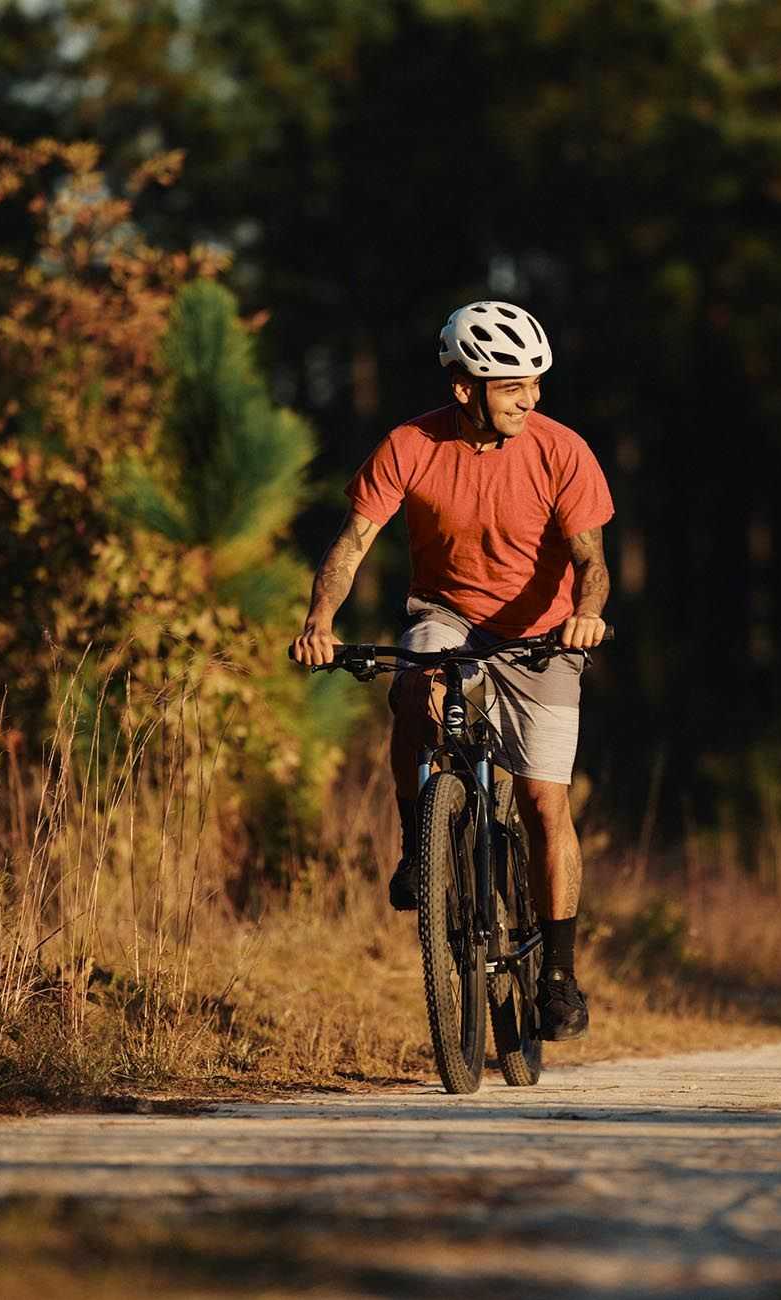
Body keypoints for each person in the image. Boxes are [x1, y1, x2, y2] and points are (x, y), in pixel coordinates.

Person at [290, 301, 613, 1041]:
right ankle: (419, 842)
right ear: (465, 385)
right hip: (450, 615)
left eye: (534, 381)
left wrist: (584, 616)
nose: (528, 398)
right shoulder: (410, 444)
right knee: (414, 684)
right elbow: (352, 544)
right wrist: (319, 622)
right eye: (510, 385)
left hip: (543, 635)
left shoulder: (562, 450)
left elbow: (592, 564)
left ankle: (558, 974)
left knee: (543, 803)